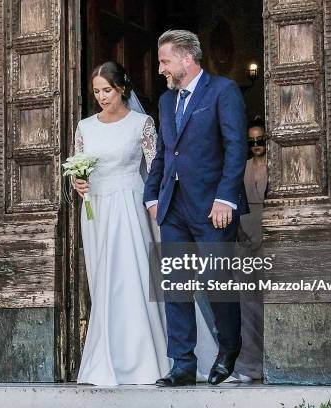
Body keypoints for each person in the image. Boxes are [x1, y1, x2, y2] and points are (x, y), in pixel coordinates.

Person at [144, 29, 249, 386]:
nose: (161, 69)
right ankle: (182, 364)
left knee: (216, 280)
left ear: (187, 58)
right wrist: (152, 196)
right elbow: (163, 152)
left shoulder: (223, 91)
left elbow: (236, 148)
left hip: (212, 208)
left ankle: (229, 348)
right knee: (174, 285)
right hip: (173, 208)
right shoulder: (164, 101)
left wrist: (226, 198)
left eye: (164, 61)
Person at [72, 61, 171, 385]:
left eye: (107, 90)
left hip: (130, 204)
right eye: (97, 91)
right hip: (97, 208)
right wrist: (78, 183)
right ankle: (106, 358)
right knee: (104, 279)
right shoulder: (85, 127)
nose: (101, 96)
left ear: (122, 89)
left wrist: (156, 205)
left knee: (134, 276)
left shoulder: (141, 123)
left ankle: (144, 360)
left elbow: (156, 168)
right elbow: (78, 170)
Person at [233, 116, 267, 381]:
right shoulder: (241, 167)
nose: (256, 144)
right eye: (252, 141)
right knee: (246, 299)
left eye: (260, 140)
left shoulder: (278, 166)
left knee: (269, 295)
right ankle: (248, 360)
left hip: (268, 228)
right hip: (243, 232)